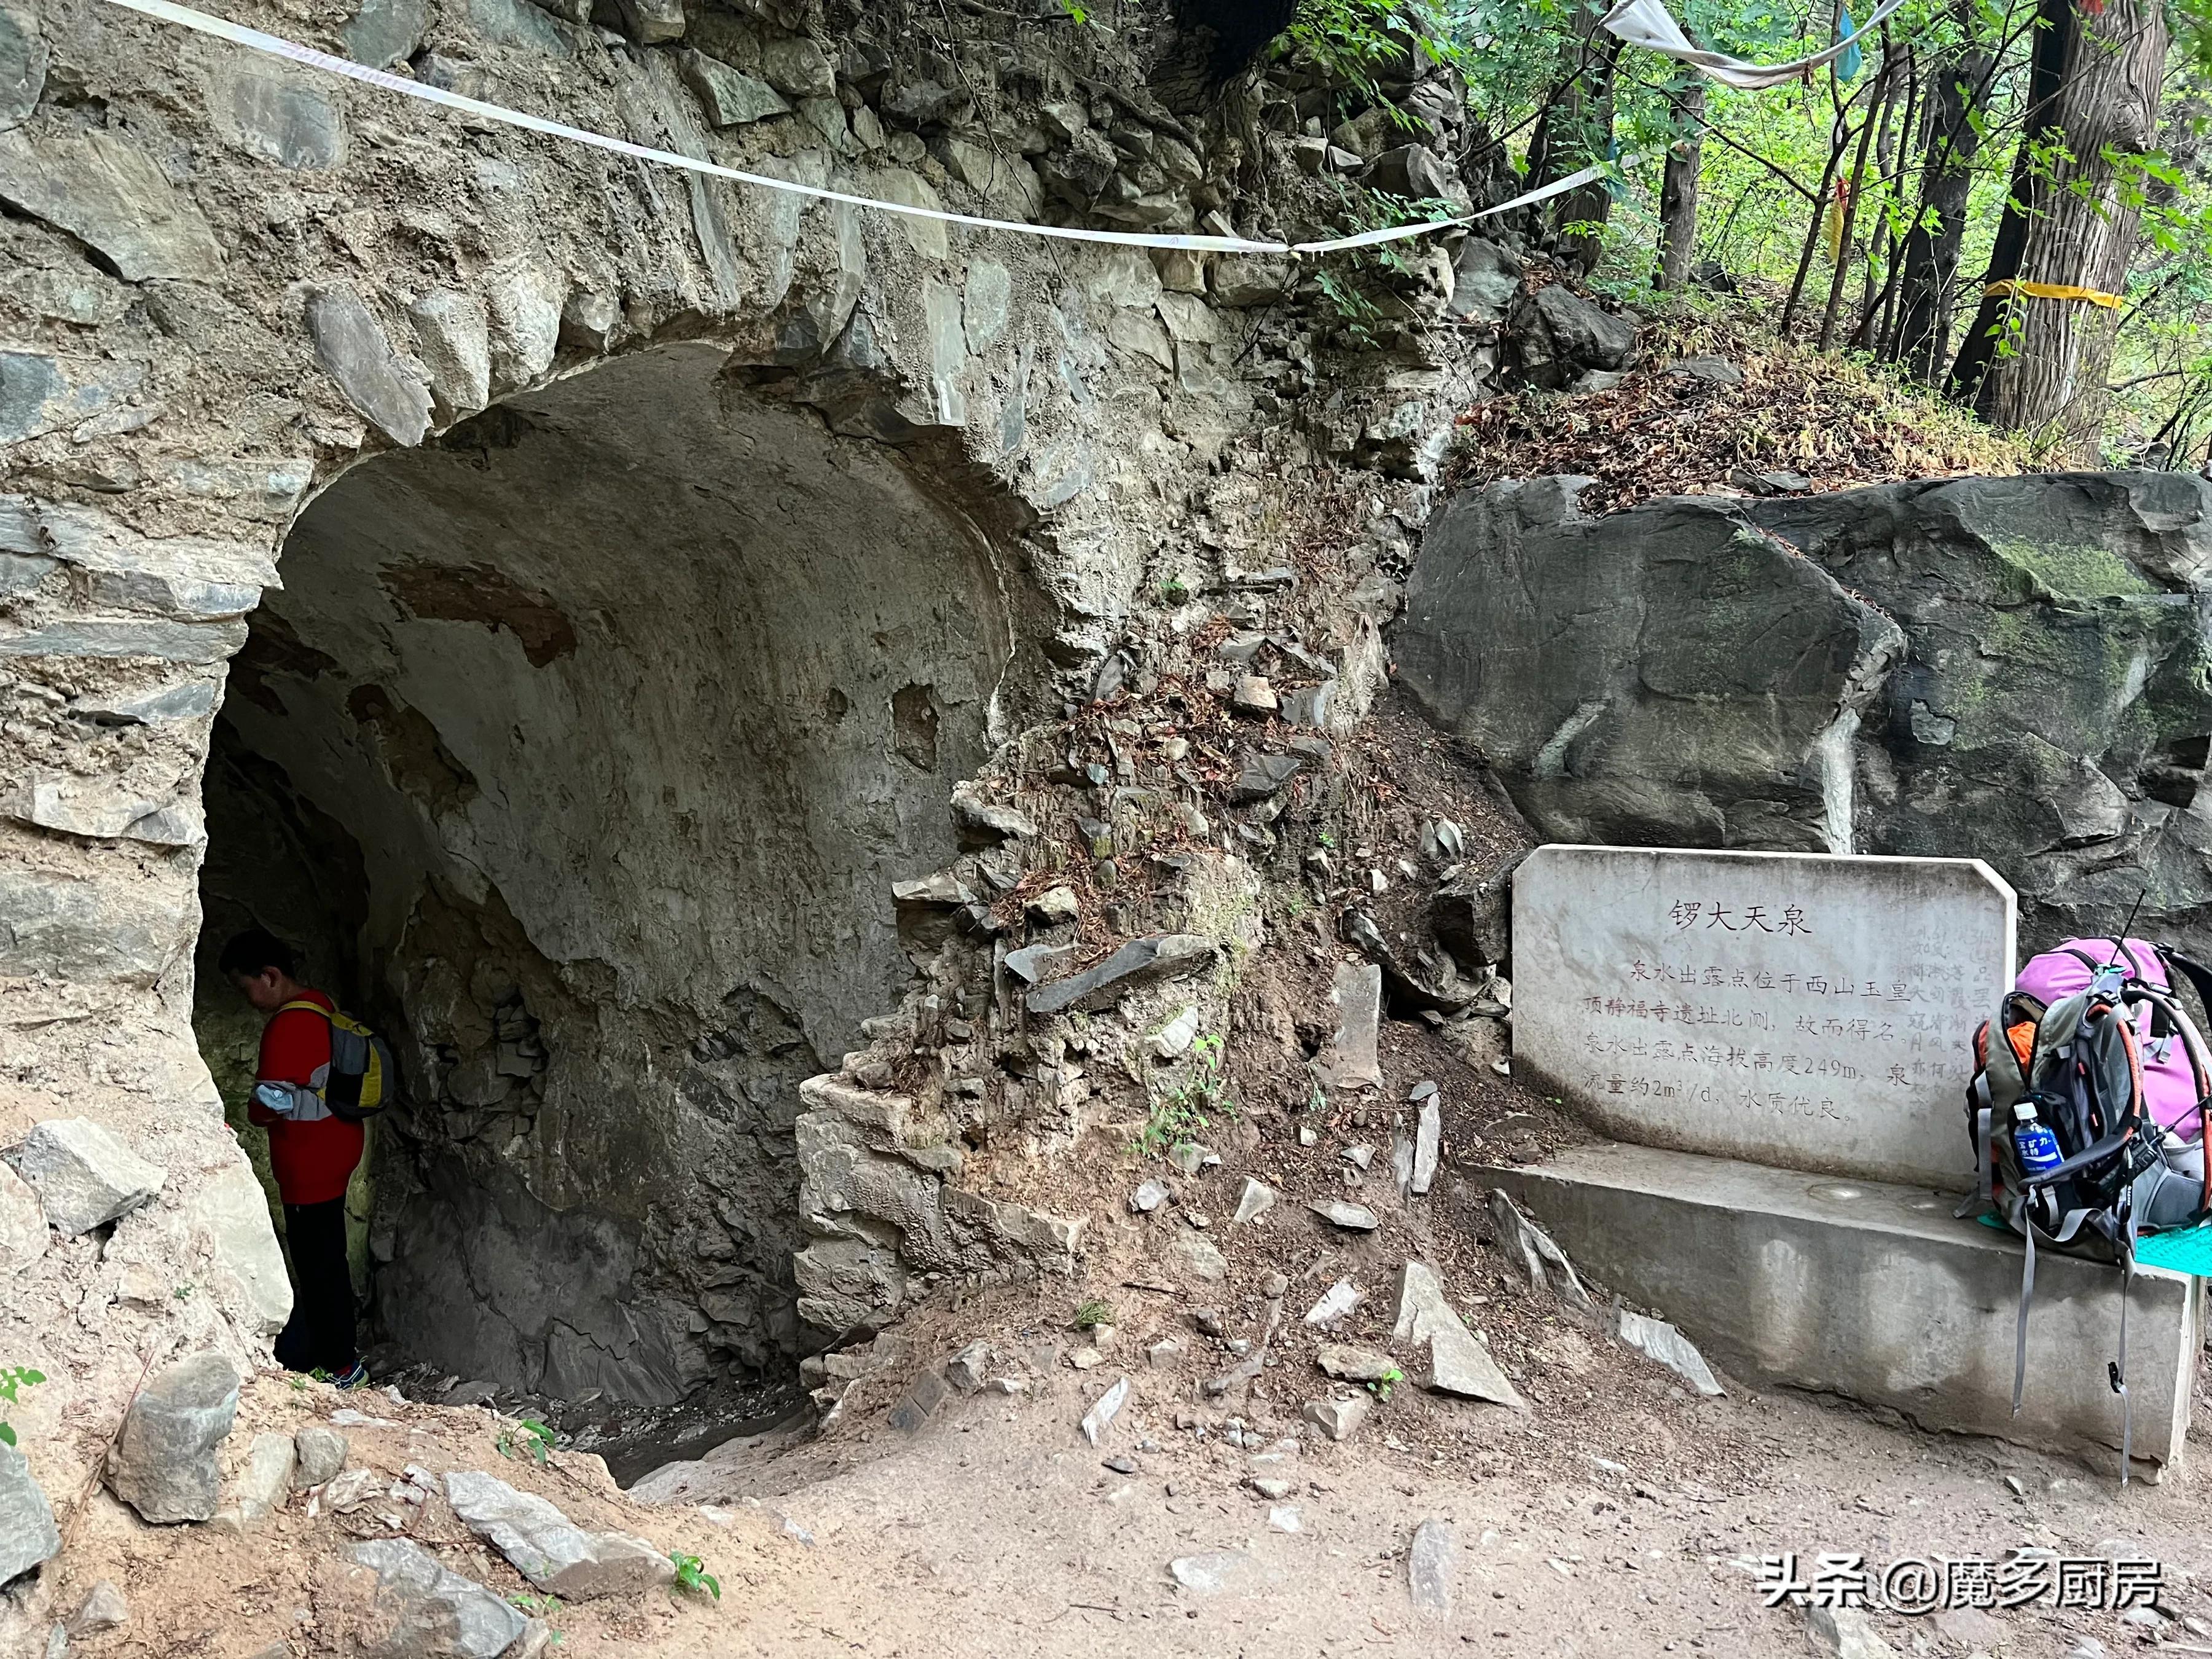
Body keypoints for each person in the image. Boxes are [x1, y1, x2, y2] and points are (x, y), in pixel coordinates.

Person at [219, 928, 368, 1387]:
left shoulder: (288, 1025)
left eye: (246, 988)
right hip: (339, 1148)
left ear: (270, 976)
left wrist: (248, 1109)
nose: (248, 1000)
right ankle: (333, 1353)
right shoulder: (323, 1006)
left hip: (309, 1162)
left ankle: (342, 1365)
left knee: (319, 1263)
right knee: (329, 1256)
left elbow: (266, 1106)